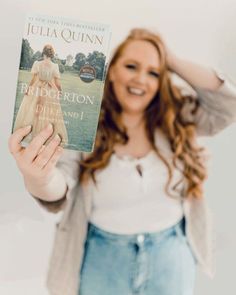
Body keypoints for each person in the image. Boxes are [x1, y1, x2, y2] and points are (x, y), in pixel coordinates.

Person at [8, 29, 236, 295]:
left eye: (153, 72)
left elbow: (228, 105)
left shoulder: (177, 118)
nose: (141, 78)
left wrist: (170, 60)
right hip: (102, 258)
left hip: (171, 257)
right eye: (131, 66)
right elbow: (59, 191)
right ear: (112, 70)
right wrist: (40, 177)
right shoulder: (86, 125)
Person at [13, 44, 68, 146]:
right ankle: (46, 135)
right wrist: (59, 91)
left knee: (33, 111)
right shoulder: (55, 66)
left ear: (43, 53)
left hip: (37, 89)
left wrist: (28, 89)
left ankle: (31, 133)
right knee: (47, 113)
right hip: (49, 91)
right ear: (51, 54)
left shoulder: (37, 64)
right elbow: (57, 83)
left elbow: (33, 79)